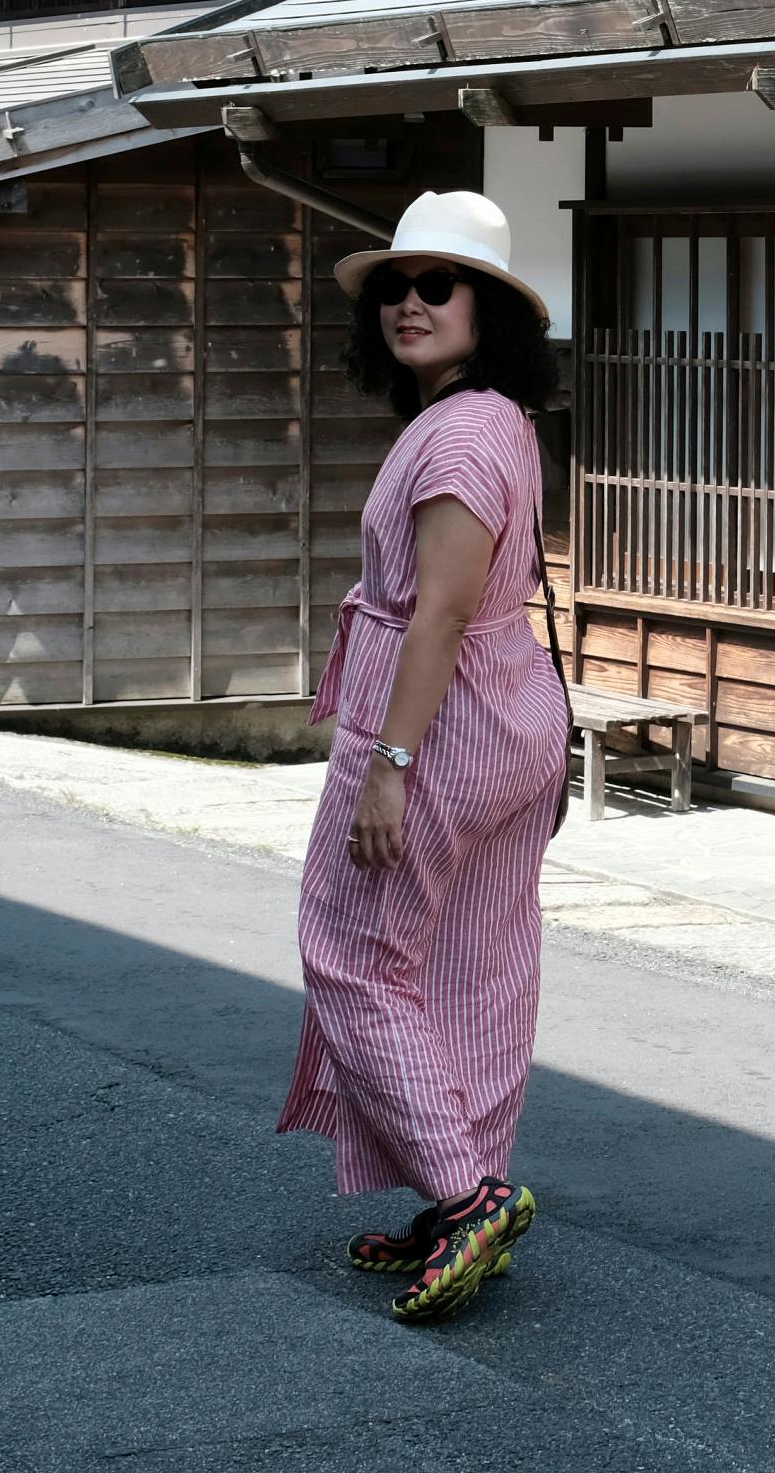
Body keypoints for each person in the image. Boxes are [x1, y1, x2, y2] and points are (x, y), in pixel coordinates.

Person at [277, 189, 570, 1324]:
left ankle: (464, 1194)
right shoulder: (498, 420)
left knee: (350, 950)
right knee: (473, 965)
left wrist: (390, 762)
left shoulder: (452, 435)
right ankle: (465, 1199)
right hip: (512, 712)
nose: (409, 302)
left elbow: (439, 613)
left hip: (440, 722)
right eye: (395, 287)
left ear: (486, 308)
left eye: (437, 286)